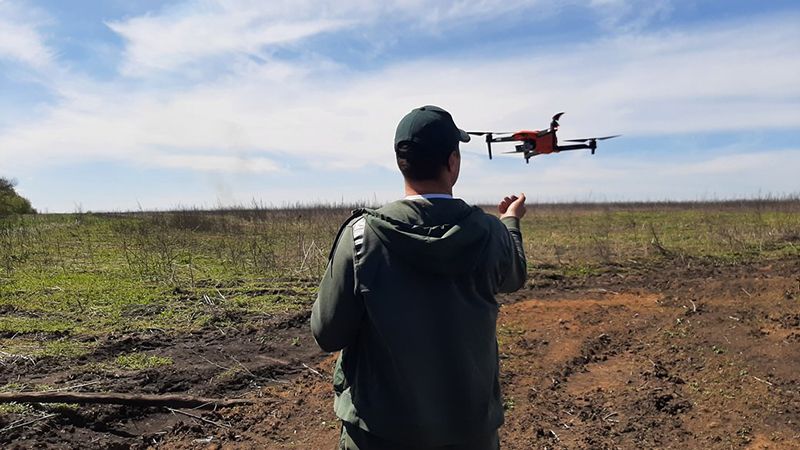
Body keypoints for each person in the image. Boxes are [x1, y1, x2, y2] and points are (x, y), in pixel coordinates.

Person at [311, 105, 527, 450]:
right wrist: (510, 222)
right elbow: (513, 276)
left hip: (378, 432)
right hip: (469, 431)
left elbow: (328, 332)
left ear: (401, 162)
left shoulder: (361, 235)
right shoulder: (489, 233)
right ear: (453, 161)